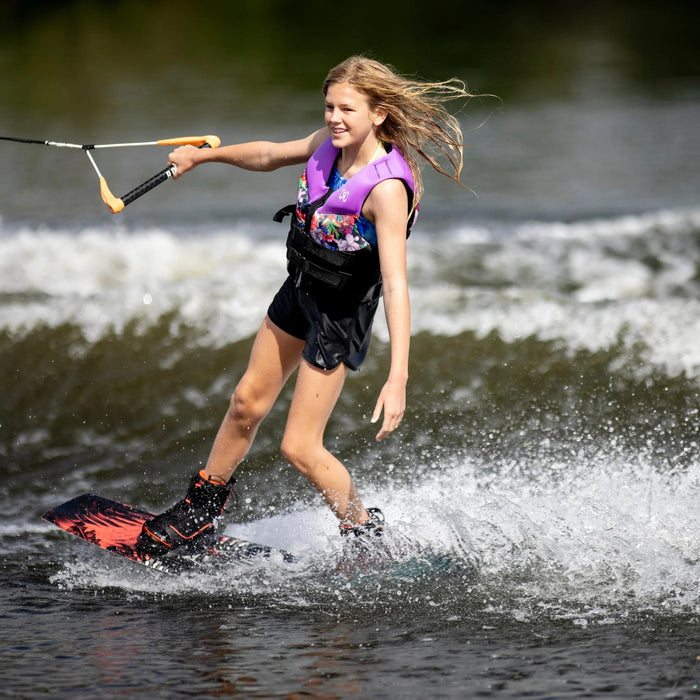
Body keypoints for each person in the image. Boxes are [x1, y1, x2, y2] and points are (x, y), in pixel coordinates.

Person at [136, 56, 475, 556]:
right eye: (329, 107)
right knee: (246, 402)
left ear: (379, 114)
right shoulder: (327, 146)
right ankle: (200, 512)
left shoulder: (385, 188)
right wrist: (201, 157)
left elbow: (396, 284)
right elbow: (270, 153)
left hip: (339, 314)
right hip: (299, 290)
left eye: (348, 109)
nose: (335, 118)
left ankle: (364, 534)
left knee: (298, 447)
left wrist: (398, 375)